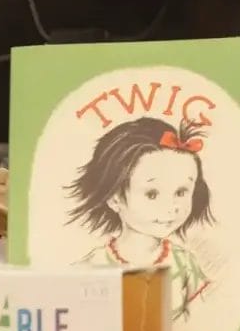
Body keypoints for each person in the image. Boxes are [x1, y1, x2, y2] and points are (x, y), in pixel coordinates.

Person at [66, 115, 213, 317]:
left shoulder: (184, 263)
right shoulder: (90, 268)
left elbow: (203, 324)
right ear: (114, 198)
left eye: (181, 192)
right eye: (152, 194)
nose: (171, 207)